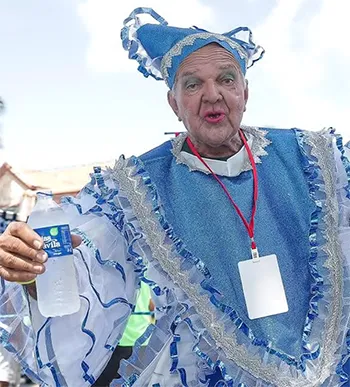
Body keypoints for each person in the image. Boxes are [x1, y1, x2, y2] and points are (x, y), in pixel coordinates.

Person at [0, 6, 349, 386]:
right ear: (174, 103)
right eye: (192, 84)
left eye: (226, 79)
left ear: (244, 93)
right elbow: (82, 273)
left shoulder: (313, 157)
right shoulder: (136, 185)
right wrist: (34, 266)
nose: (212, 94)